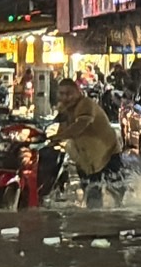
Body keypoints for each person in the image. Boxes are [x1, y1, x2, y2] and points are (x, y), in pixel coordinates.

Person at [51, 78, 124, 208]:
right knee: (91, 193)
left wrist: (59, 136)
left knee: (116, 191)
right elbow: (62, 130)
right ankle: (94, 223)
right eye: (61, 94)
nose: (65, 97)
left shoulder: (85, 104)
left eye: (69, 93)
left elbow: (81, 125)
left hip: (107, 153)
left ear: (78, 92)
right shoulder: (64, 109)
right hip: (87, 159)